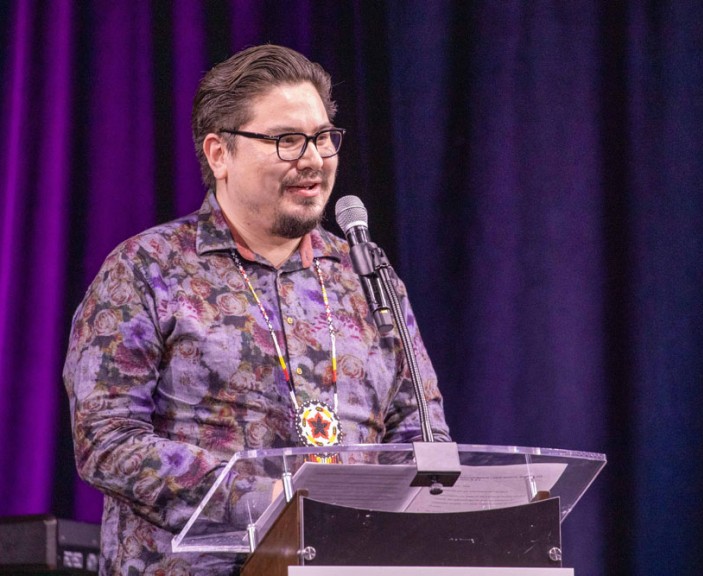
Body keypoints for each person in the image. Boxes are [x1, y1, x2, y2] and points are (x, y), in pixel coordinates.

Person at [63, 44, 450, 575]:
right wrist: (272, 500)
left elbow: (421, 434)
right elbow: (107, 439)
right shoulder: (146, 268)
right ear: (219, 153)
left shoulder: (365, 271)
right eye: (287, 140)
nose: (313, 158)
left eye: (322, 137)